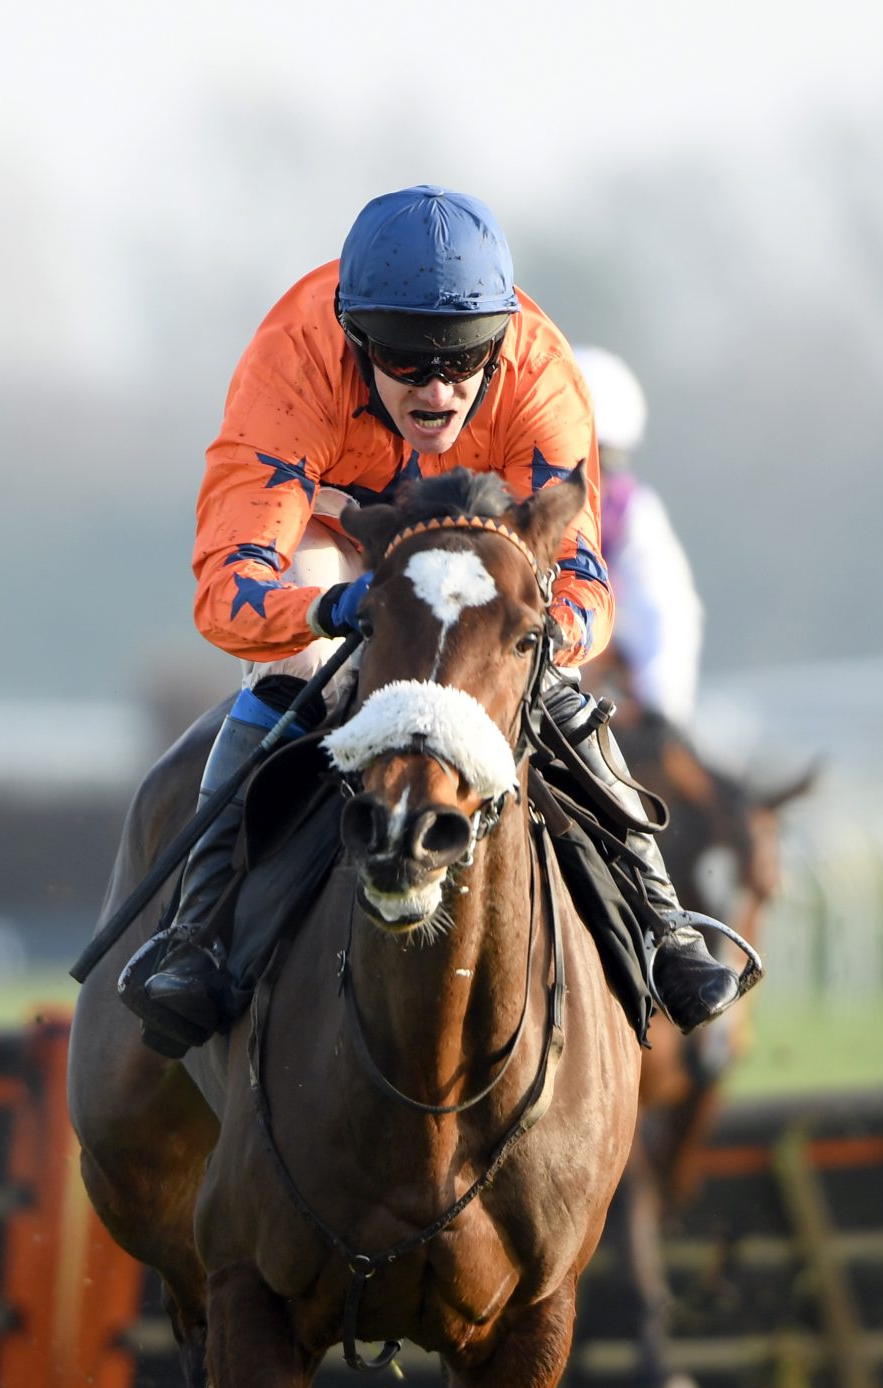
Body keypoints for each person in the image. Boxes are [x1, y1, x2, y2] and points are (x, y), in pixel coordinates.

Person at [119, 186, 748, 1052]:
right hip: (338, 545)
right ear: (356, 337)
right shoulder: (294, 359)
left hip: (478, 557)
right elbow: (231, 592)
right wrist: (338, 605)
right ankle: (196, 933)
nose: (440, 389)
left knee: (549, 677)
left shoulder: (539, 372)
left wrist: (543, 632)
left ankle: (661, 923)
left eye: (463, 360)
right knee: (293, 668)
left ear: (501, 341)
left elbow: (585, 585)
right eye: (408, 363)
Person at [576, 346, 705, 731]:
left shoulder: (632, 510)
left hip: (598, 689)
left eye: (606, 458)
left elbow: (666, 606)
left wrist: (659, 705)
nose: (595, 475)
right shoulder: (509, 496)